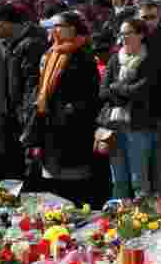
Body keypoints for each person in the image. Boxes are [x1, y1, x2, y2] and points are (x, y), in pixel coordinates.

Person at [21, 12, 101, 205]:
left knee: (74, 179)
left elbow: (92, 92)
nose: (53, 30)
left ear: (71, 29)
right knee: (52, 179)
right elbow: (41, 87)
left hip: (73, 126)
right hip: (49, 123)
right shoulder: (50, 54)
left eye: (57, 26)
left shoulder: (83, 56)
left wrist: (72, 108)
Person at [100, 18, 159, 199]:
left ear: (140, 35)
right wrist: (124, 92)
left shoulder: (150, 60)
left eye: (128, 33)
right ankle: (118, 219)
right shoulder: (115, 59)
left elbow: (142, 91)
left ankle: (144, 221)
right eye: (122, 33)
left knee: (139, 180)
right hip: (115, 126)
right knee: (118, 179)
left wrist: (116, 88)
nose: (124, 37)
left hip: (139, 127)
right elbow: (103, 91)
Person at [0, 4, 46, 178]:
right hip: (12, 115)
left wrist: (27, 119)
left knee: (23, 169)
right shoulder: (10, 43)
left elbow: (32, 86)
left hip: (25, 117)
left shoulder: (31, 44)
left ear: (8, 23)